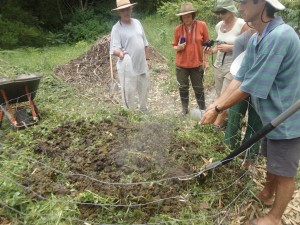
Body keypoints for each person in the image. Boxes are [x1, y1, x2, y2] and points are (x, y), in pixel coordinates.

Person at [201, 0, 300, 224]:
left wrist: (219, 108)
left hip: (287, 118)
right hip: (271, 115)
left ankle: (274, 217)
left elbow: (252, 85)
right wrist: (216, 104)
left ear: (261, 4)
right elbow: (241, 76)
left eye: (243, 2)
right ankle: (267, 193)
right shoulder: (258, 37)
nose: (239, 7)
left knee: (284, 172)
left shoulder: (280, 36)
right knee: (273, 161)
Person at [224, 27, 263, 168]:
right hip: (241, 85)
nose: (251, 26)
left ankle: (249, 158)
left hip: (260, 87)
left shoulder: (270, 38)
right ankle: (228, 150)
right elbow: (237, 69)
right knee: (235, 117)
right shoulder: (242, 40)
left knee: (255, 124)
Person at [209, 0, 248, 129]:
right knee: (219, 94)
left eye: (223, 11)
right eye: (218, 12)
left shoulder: (241, 24)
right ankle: (225, 119)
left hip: (234, 65)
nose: (220, 15)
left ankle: (217, 125)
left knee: (227, 94)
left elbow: (249, 46)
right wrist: (211, 50)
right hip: (218, 64)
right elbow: (218, 45)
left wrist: (230, 47)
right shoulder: (219, 25)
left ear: (231, 10)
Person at [110, 0, 151, 113]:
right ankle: (130, 114)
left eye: (127, 9)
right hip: (127, 68)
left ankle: (143, 110)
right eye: (123, 10)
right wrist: (121, 53)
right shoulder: (117, 28)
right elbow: (115, 49)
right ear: (119, 12)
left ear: (131, 9)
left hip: (142, 64)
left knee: (144, 90)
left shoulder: (137, 23)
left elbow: (145, 43)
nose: (126, 12)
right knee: (128, 92)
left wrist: (147, 59)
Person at [172, 2, 210, 115]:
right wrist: (178, 47)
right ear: (181, 18)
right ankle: (184, 109)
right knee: (183, 87)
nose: (186, 18)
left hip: (197, 64)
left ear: (193, 15)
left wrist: (206, 61)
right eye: (184, 16)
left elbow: (207, 45)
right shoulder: (178, 29)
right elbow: (174, 45)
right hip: (181, 64)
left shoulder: (202, 25)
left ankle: (202, 110)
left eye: (188, 16)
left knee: (199, 88)